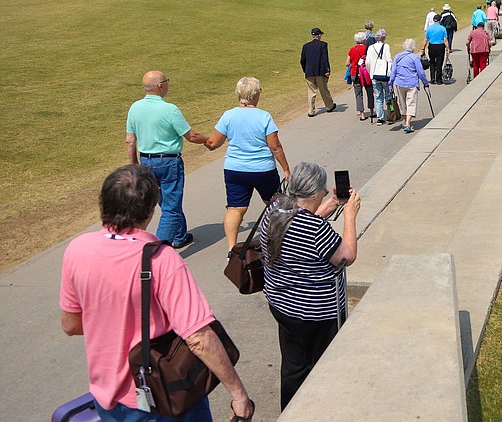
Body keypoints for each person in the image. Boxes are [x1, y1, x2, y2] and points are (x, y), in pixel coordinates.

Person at [60, 165, 255, 421]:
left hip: (107, 399)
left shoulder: (77, 249)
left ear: (103, 203)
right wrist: (239, 395)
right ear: (151, 209)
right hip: (160, 398)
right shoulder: (161, 259)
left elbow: (71, 325)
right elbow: (199, 337)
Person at [260, 162, 361, 410]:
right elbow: (346, 255)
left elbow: (302, 222)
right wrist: (349, 216)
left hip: (283, 305)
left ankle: (291, 410)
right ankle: (322, 410)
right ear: (315, 193)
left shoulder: (275, 210)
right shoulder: (315, 229)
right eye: (324, 191)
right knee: (324, 366)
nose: (326, 193)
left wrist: (334, 204)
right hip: (316, 314)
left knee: (294, 366)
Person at [205, 77, 291, 253]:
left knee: (236, 207)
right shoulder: (264, 116)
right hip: (262, 169)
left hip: (235, 168)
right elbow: (275, 146)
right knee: (274, 204)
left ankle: (232, 248)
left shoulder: (228, 115)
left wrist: (203, 141)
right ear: (255, 95)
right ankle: (280, 242)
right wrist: (286, 169)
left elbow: (214, 143)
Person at [125, 70, 209, 249]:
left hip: (146, 161)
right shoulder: (169, 109)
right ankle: (155, 251)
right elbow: (191, 136)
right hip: (169, 162)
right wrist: (209, 141)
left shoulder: (135, 108)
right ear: (160, 85)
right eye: (167, 81)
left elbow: (130, 140)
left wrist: (133, 164)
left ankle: (179, 236)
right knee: (171, 208)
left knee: (167, 202)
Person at [389, 38, 429, 134]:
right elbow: (420, 72)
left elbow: (393, 71)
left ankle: (404, 121)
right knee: (411, 102)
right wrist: (425, 83)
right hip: (411, 83)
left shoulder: (398, 56)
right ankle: (407, 123)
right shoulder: (414, 57)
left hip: (399, 83)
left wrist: (390, 84)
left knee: (402, 103)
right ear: (413, 48)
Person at [300, 27, 336, 117]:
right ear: (319, 35)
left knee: (311, 92)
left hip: (309, 72)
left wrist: (305, 69)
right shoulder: (323, 45)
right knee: (323, 89)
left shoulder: (306, 46)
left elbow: (302, 60)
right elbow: (325, 58)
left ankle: (311, 110)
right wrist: (327, 70)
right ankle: (329, 106)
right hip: (320, 71)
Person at [365, 29, 392, 125]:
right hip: (384, 75)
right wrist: (390, 73)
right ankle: (390, 114)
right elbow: (389, 60)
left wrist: (370, 72)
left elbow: (367, 62)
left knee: (378, 97)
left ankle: (380, 117)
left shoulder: (371, 47)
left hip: (375, 75)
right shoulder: (386, 46)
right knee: (388, 96)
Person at [346, 32, 375, 121]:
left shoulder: (352, 50)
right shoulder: (367, 49)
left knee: (358, 94)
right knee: (369, 92)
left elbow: (347, 63)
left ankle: (362, 114)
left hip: (355, 73)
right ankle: (371, 111)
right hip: (365, 73)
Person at [422, 13, 451, 85]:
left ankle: (432, 78)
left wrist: (423, 48)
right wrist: (448, 48)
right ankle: (439, 79)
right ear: (440, 20)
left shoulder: (429, 28)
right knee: (439, 63)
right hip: (440, 46)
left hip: (432, 46)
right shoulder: (442, 28)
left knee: (432, 62)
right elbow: (445, 40)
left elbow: (426, 39)